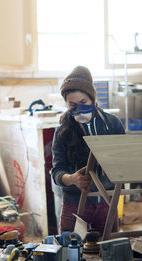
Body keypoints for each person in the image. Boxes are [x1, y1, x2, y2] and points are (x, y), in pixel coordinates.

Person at [51, 66, 125, 234]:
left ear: (92, 99)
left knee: (109, 250)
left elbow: (124, 159)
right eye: (72, 104)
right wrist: (71, 178)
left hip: (107, 202)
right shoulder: (62, 131)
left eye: (83, 103)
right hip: (75, 204)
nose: (79, 109)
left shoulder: (112, 124)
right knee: (71, 255)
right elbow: (56, 171)